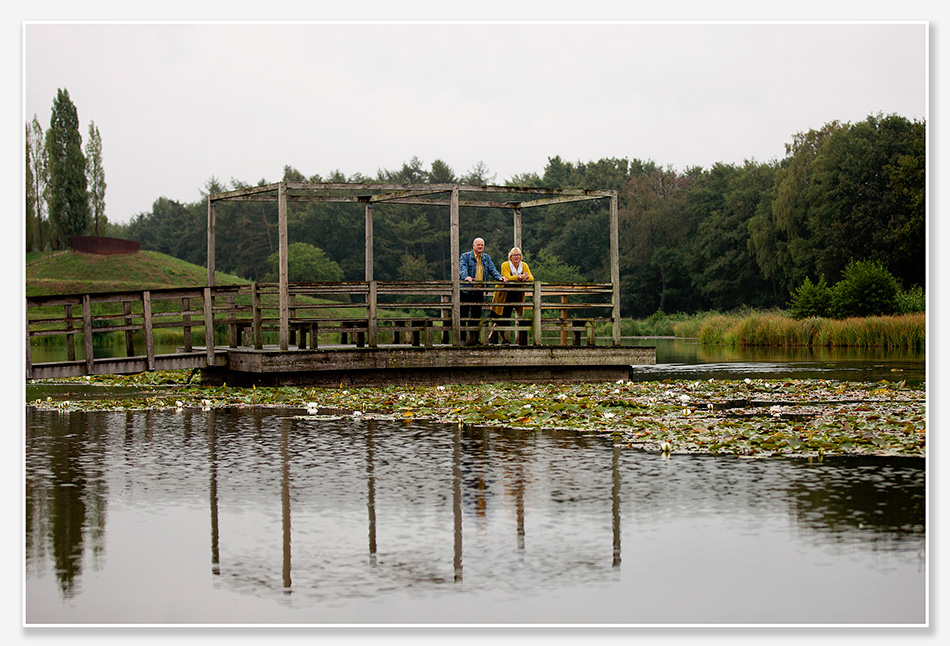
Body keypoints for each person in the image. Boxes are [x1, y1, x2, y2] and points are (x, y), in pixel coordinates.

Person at [459, 237, 507, 344]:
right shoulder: (465, 256)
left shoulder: (486, 258)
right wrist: (466, 277)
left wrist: (499, 277)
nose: (480, 247)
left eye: (482, 245)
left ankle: (474, 339)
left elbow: (492, 270)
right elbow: (462, 268)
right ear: (473, 246)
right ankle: (462, 339)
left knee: (476, 315)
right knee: (463, 315)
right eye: (478, 245)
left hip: (479, 290)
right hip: (466, 290)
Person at [489, 247, 534, 344]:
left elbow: (531, 277)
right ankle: (503, 339)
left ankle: (491, 336)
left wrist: (525, 278)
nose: (516, 257)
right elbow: (507, 277)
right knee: (501, 316)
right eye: (514, 255)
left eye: (518, 255)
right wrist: (520, 277)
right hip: (503, 293)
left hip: (516, 294)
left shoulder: (524, 265)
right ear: (510, 257)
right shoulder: (505, 265)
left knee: (508, 316)